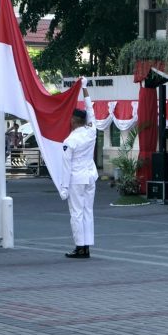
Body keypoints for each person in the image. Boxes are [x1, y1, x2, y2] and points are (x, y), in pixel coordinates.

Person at [60, 78, 98, 259]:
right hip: (90, 177)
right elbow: (91, 112)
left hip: (76, 179)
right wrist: (85, 89)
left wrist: (64, 187)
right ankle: (87, 246)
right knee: (88, 212)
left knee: (76, 213)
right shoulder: (91, 132)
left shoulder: (70, 141)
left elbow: (67, 166)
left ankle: (79, 246)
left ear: (74, 121)